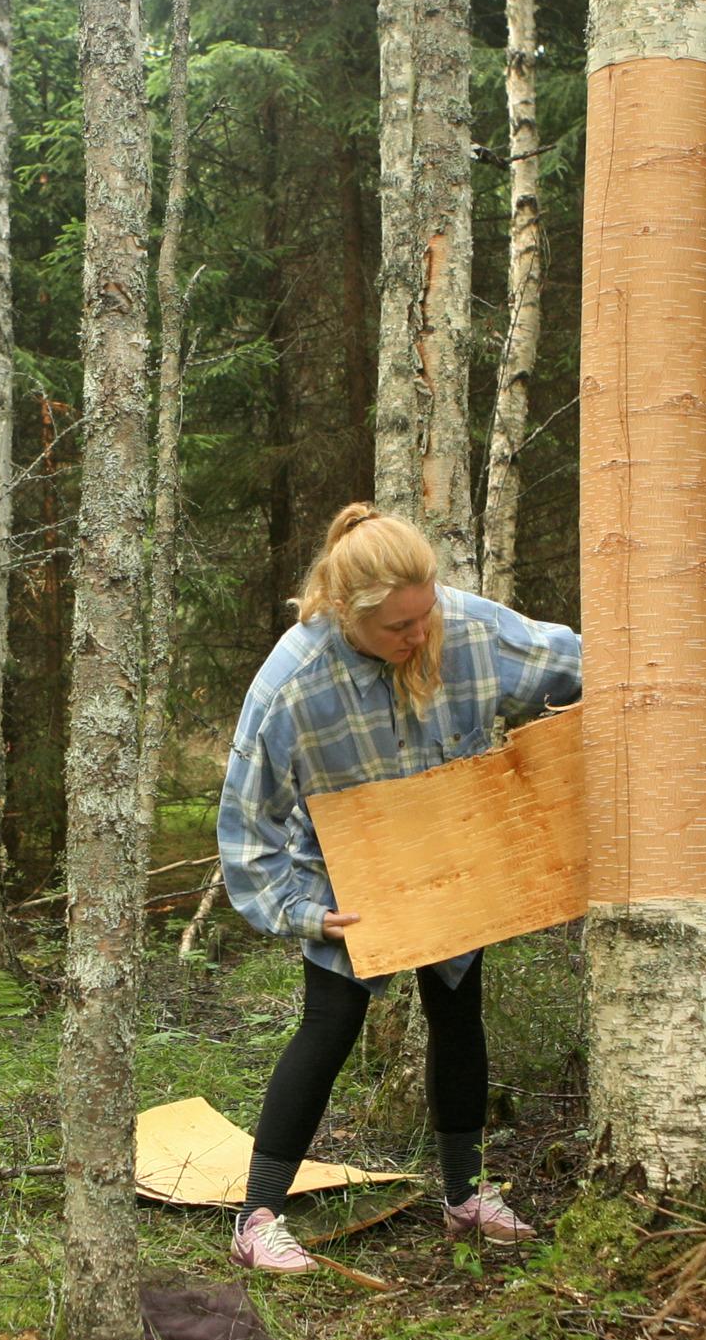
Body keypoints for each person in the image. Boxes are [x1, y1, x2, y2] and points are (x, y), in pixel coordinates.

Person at [216, 503, 581, 1275]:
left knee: (459, 1015)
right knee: (331, 1025)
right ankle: (259, 1217)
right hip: (347, 876)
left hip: (451, 855)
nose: (420, 635)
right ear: (346, 612)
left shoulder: (466, 627)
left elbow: (573, 662)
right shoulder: (293, 682)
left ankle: (466, 1197)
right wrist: (304, 913)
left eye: (426, 615)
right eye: (399, 627)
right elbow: (248, 823)